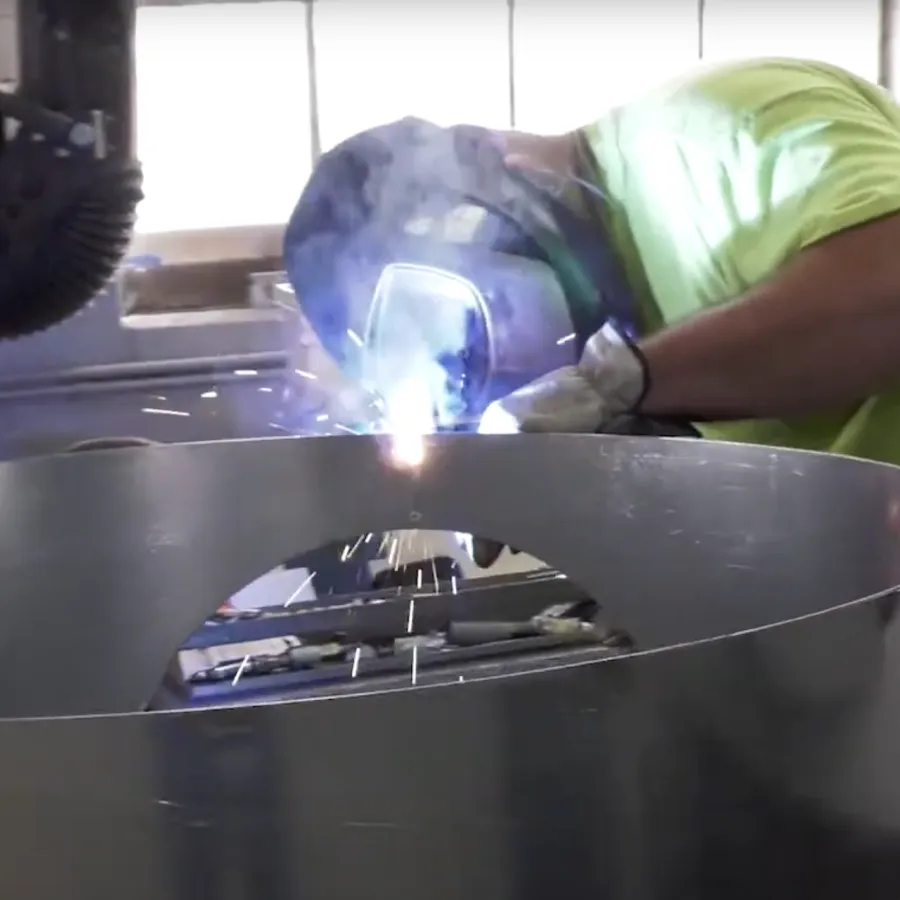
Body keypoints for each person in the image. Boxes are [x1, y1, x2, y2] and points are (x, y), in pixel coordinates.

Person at [284, 57, 900, 561]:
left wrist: (621, 383)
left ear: (501, 178)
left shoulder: (709, 130)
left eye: (472, 335)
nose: (509, 377)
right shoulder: (621, 313)